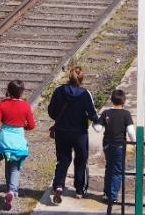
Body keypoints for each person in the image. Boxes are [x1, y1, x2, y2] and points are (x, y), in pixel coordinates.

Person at [48, 66, 100, 204]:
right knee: (81, 160)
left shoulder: (58, 91)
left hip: (62, 132)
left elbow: (51, 111)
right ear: (81, 79)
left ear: (69, 77)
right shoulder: (85, 93)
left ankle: (58, 186)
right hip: (80, 133)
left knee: (63, 159)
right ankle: (79, 190)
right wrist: (98, 121)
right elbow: (92, 113)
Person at [0, 80, 36, 211]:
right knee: (16, 167)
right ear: (21, 92)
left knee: (8, 162)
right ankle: (12, 191)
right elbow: (32, 125)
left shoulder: (2, 104)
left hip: (4, 139)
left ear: (9, 90)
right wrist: (23, 126)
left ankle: (9, 190)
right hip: (17, 139)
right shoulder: (25, 105)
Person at [93, 89, 135, 205]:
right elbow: (131, 131)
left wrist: (93, 123)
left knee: (109, 167)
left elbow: (98, 129)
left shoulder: (106, 113)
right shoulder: (126, 114)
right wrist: (135, 143)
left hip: (107, 144)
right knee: (117, 170)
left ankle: (106, 193)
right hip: (119, 145)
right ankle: (112, 196)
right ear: (124, 101)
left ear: (111, 100)